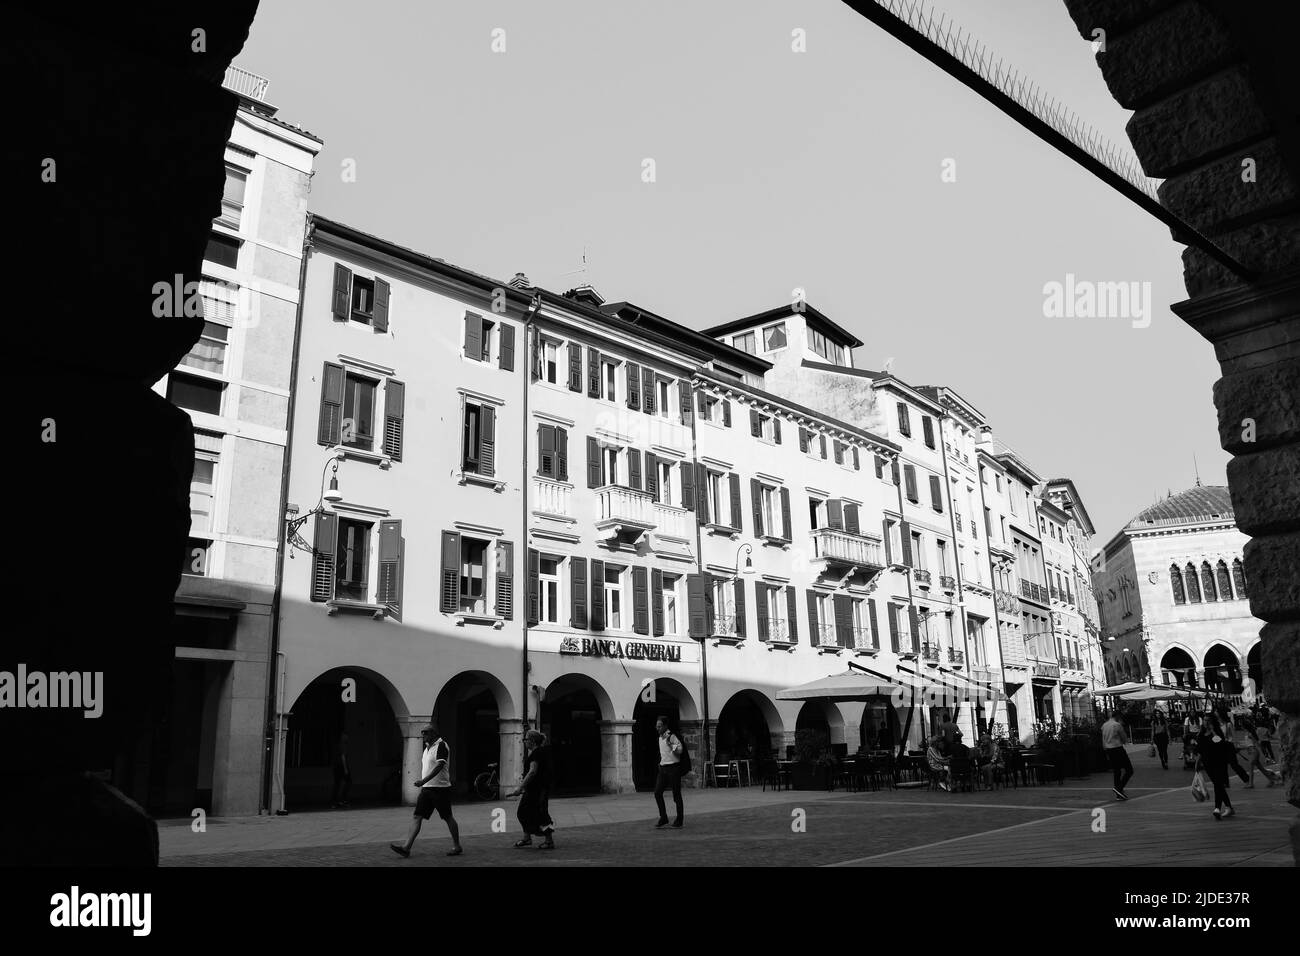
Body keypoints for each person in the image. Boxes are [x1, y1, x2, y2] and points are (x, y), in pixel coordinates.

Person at [391, 723, 463, 858]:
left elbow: (440, 766)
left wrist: (423, 781)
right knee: (417, 816)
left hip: (440, 789)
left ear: (434, 733)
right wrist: (424, 783)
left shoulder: (441, 745)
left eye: (426, 732)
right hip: (427, 790)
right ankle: (406, 847)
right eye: (422, 732)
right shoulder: (427, 748)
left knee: (447, 817)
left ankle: (457, 846)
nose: (423, 735)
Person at [509, 730, 556, 849]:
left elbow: (532, 772)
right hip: (535, 789)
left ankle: (548, 840)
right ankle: (527, 838)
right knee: (524, 812)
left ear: (532, 741)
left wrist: (520, 788)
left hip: (538, 789)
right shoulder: (541, 752)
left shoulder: (537, 753)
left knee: (541, 813)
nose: (524, 742)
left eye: (525, 740)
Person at [1196, 714, 1235, 820]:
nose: (1206, 722)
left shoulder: (1216, 732)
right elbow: (1200, 750)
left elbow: (1219, 743)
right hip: (1207, 763)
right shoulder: (1201, 734)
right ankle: (1229, 807)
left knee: (1218, 784)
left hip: (1219, 762)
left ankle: (1217, 808)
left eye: (1208, 720)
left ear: (1212, 722)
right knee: (1218, 785)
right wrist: (1198, 762)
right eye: (1204, 720)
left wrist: (1213, 731)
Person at [653, 716, 685, 829]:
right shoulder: (659, 738)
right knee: (657, 792)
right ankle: (663, 817)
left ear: (665, 726)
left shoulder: (671, 736)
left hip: (673, 768)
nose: (657, 728)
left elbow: (680, 750)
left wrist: (671, 744)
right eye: (657, 726)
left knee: (676, 795)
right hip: (663, 769)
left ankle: (679, 819)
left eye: (659, 726)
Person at [1236, 717, 1280, 787]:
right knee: (1261, 769)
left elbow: (1256, 743)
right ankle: (1274, 778)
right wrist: (1241, 748)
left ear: (1245, 726)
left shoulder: (1250, 734)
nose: (1241, 727)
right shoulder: (1247, 733)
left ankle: (1251, 784)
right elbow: (1249, 744)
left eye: (1242, 726)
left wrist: (1241, 747)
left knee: (1251, 767)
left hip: (1253, 752)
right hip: (1252, 752)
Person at [1101, 710, 1133, 800]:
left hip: (1109, 749)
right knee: (1129, 770)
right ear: (1118, 717)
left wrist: (1106, 749)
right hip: (1117, 748)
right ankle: (1119, 788)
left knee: (1117, 771)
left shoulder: (1104, 725)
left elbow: (1103, 740)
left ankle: (1118, 794)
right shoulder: (1117, 725)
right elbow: (1124, 738)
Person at [330, 731, 352, 808]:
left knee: (338, 784)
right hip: (340, 767)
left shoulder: (339, 745)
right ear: (343, 737)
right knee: (348, 782)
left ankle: (336, 802)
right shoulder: (343, 745)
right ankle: (342, 800)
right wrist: (345, 768)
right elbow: (343, 757)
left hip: (336, 767)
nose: (347, 738)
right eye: (345, 736)